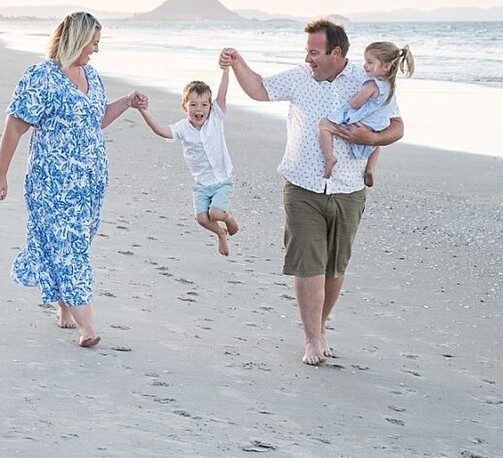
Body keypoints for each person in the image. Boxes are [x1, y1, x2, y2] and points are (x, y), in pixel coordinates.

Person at [219, 19, 404, 365]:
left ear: (336, 53)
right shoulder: (300, 77)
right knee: (308, 264)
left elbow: (397, 126)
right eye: (307, 52)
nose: (308, 59)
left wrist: (372, 139)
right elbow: (259, 89)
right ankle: (312, 339)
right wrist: (239, 62)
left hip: (349, 189)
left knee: (335, 266)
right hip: (302, 187)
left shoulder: (368, 81)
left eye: (314, 52)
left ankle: (320, 327)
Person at [0, 11, 146, 348]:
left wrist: (126, 103)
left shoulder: (91, 75)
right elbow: (15, 125)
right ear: (76, 39)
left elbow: (96, 119)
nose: (96, 50)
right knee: (70, 246)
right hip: (53, 181)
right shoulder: (40, 77)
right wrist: (1, 173)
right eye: (93, 43)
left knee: (78, 240)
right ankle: (86, 325)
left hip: (90, 180)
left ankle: (63, 304)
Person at [134, 67, 239, 256]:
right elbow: (160, 130)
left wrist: (226, 69)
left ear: (211, 107)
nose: (199, 109)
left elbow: (222, 94)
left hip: (222, 181)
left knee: (215, 213)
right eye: (193, 105)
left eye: (204, 105)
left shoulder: (215, 118)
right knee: (201, 218)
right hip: (201, 185)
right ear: (184, 107)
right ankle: (221, 233)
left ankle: (228, 218)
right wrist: (143, 111)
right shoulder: (182, 128)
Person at [317, 41, 415, 186]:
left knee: (324, 125)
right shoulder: (390, 88)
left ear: (386, 67)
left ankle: (329, 157)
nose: (365, 66)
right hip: (377, 127)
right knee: (376, 145)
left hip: (361, 124)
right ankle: (370, 168)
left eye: (370, 62)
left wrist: (352, 98)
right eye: (365, 61)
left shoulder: (371, 84)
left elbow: (355, 103)